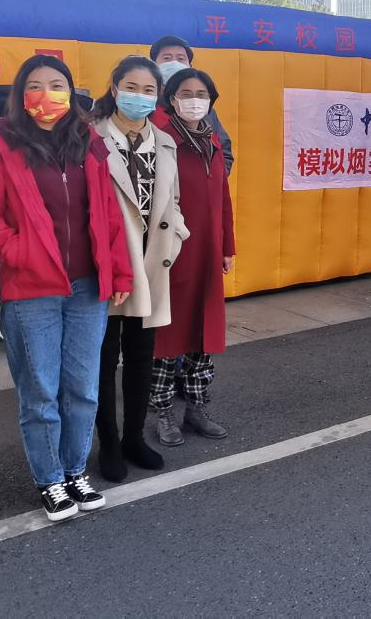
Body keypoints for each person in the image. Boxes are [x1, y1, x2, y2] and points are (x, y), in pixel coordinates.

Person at [0, 55, 133, 522]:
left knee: (82, 388)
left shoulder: (87, 142)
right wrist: (22, 252)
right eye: (35, 85)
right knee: (40, 391)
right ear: (20, 94)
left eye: (57, 84)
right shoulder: (3, 142)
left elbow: (108, 215)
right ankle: (49, 479)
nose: (47, 94)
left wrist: (119, 273)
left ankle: (74, 470)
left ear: (70, 92)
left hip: (87, 287)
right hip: (31, 290)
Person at [89, 57, 185, 481]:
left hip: (152, 260)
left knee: (142, 355)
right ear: (114, 89)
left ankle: (134, 437)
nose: (139, 96)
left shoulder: (164, 141)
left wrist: (177, 234)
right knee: (104, 357)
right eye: (131, 87)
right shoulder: (90, 138)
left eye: (149, 90)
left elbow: (173, 200)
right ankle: (108, 442)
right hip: (109, 263)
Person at [148, 67, 237, 446]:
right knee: (168, 336)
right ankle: (163, 411)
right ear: (172, 99)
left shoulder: (211, 140)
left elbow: (223, 198)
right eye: (186, 93)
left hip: (207, 252)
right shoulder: (161, 140)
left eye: (202, 94)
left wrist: (227, 246)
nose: (195, 100)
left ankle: (197, 408)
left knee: (204, 332)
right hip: (173, 252)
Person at [150, 35, 234, 174]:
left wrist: (213, 179)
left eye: (180, 59)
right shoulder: (145, 107)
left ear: (189, 66)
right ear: (154, 66)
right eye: (167, 58)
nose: (174, 63)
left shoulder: (205, 110)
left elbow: (224, 151)